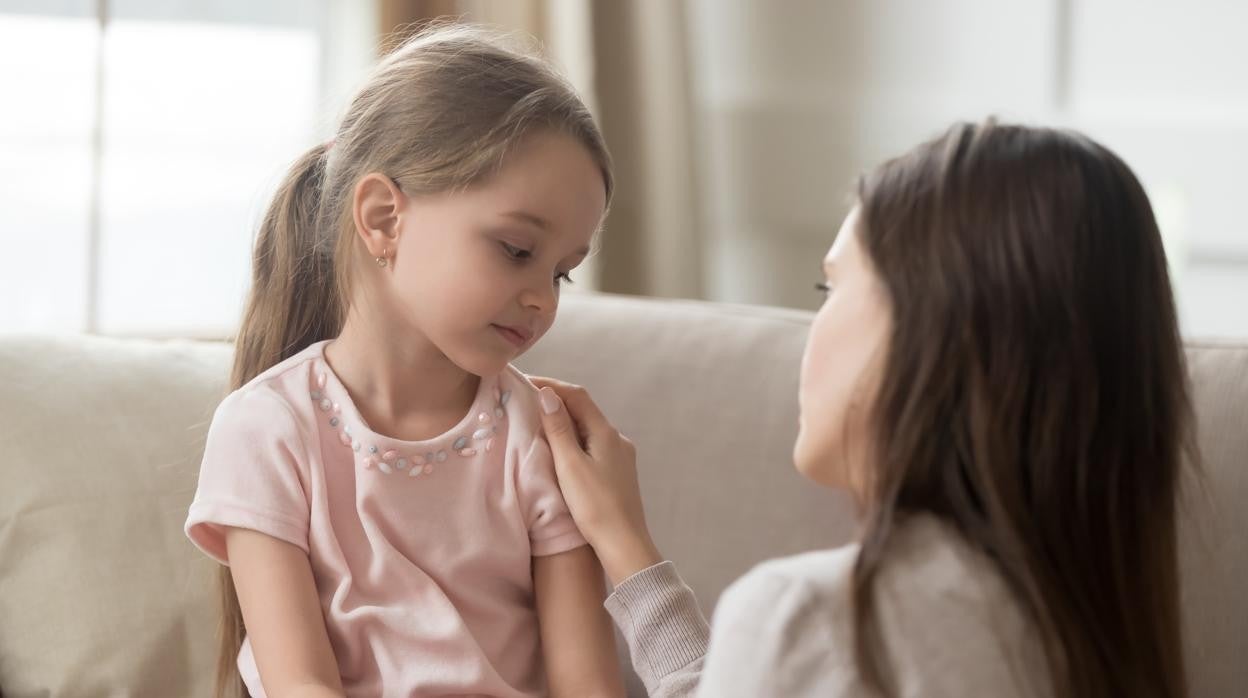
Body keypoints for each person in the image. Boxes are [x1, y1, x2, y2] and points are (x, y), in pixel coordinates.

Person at [534, 120, 1192, 698]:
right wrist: (627, 546)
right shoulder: (1088, 632)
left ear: (930, 329)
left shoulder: (814, 619)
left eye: (832, 288)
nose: (813, 329)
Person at [184, 25, 624, 698]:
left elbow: (587, 686)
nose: (542, 298)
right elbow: (300, 683)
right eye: (516, 250)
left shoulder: (538, 433)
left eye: (562, 273)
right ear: (384, 218)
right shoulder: (266, 430)